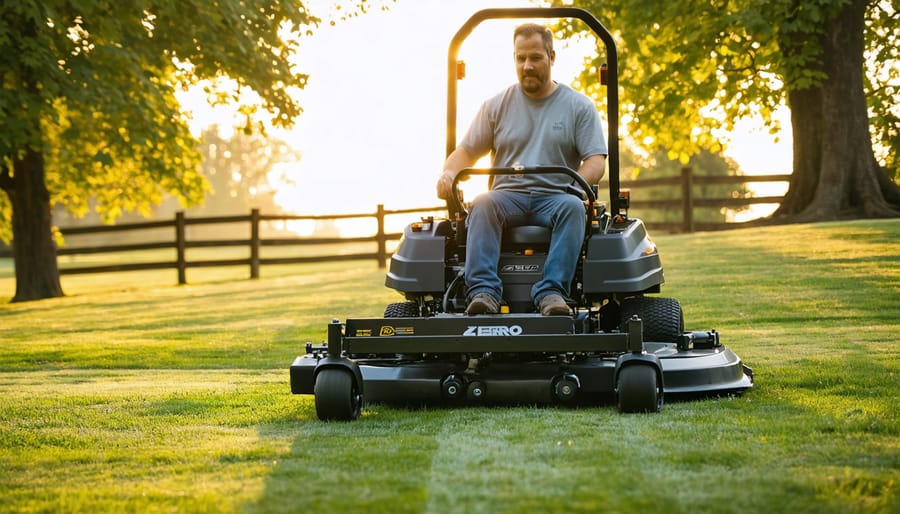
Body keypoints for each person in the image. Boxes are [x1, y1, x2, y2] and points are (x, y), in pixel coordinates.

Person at [436, 23, 608, 316]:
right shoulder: (496, 106)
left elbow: (595, 160)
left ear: (551, 57)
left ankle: (552, 293)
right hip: (507, 197)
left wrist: (578, 187)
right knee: (483, 203)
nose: (527, 65)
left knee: (573, 208)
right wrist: (448, 173)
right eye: (520, 58)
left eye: (535, 57)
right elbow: (466, 151)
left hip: (557, 194)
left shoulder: (578, 106)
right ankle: (483, 293)